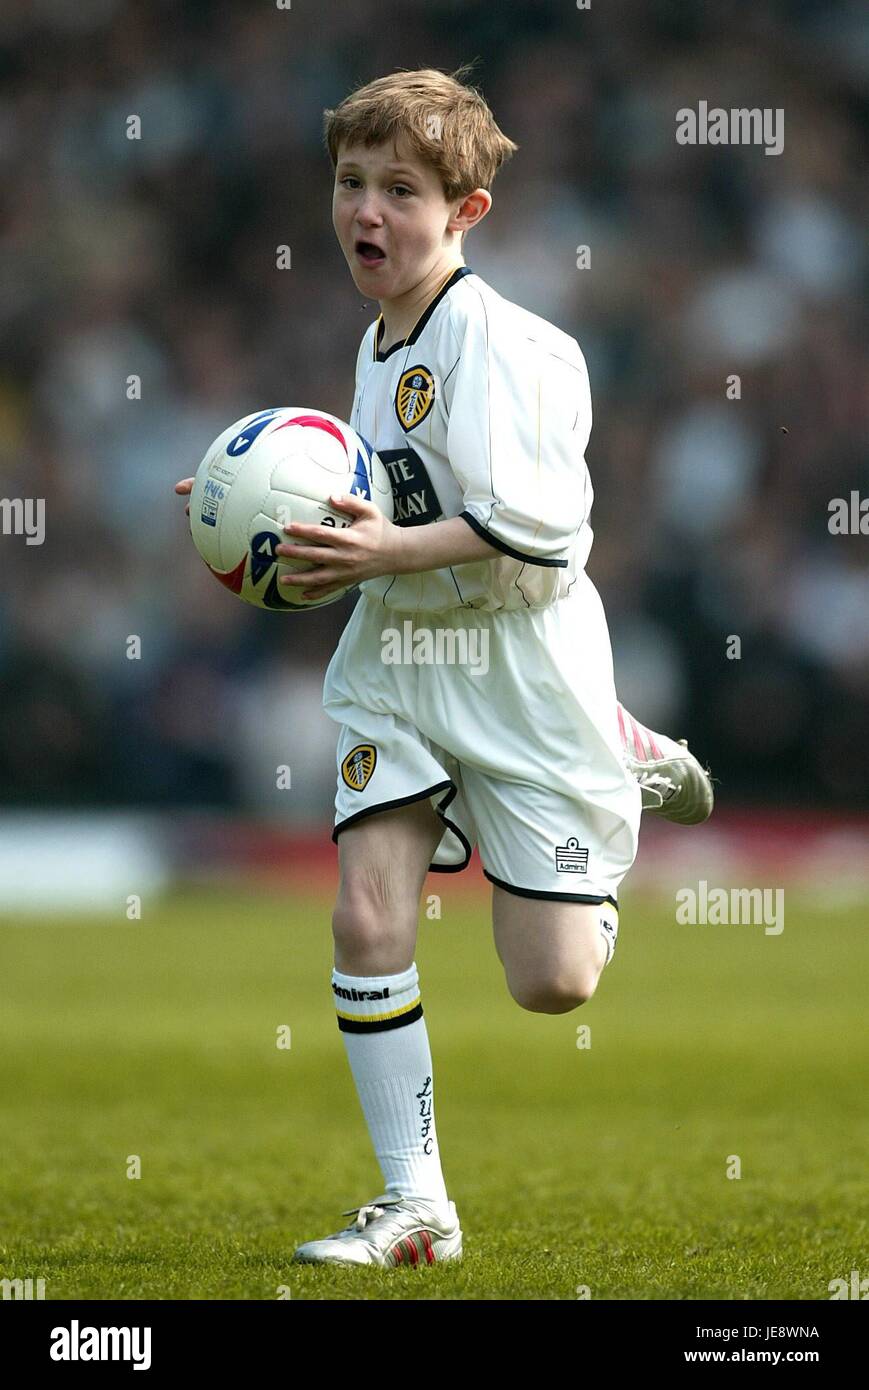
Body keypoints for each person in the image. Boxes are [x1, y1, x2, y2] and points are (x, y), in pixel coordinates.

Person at [174, 64, 712, 1269]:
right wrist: (249, 507)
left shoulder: (509, 345)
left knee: (552, 984)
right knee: (368, 917)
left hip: (521, 669)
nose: (366, 211)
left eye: (400, 190)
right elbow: (373, 491)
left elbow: (546, 534)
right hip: (401, 669)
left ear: (465, 212)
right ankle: (416, 1203)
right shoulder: (378, 342)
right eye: (351, 184)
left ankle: (612, 753)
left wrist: (380, 547)